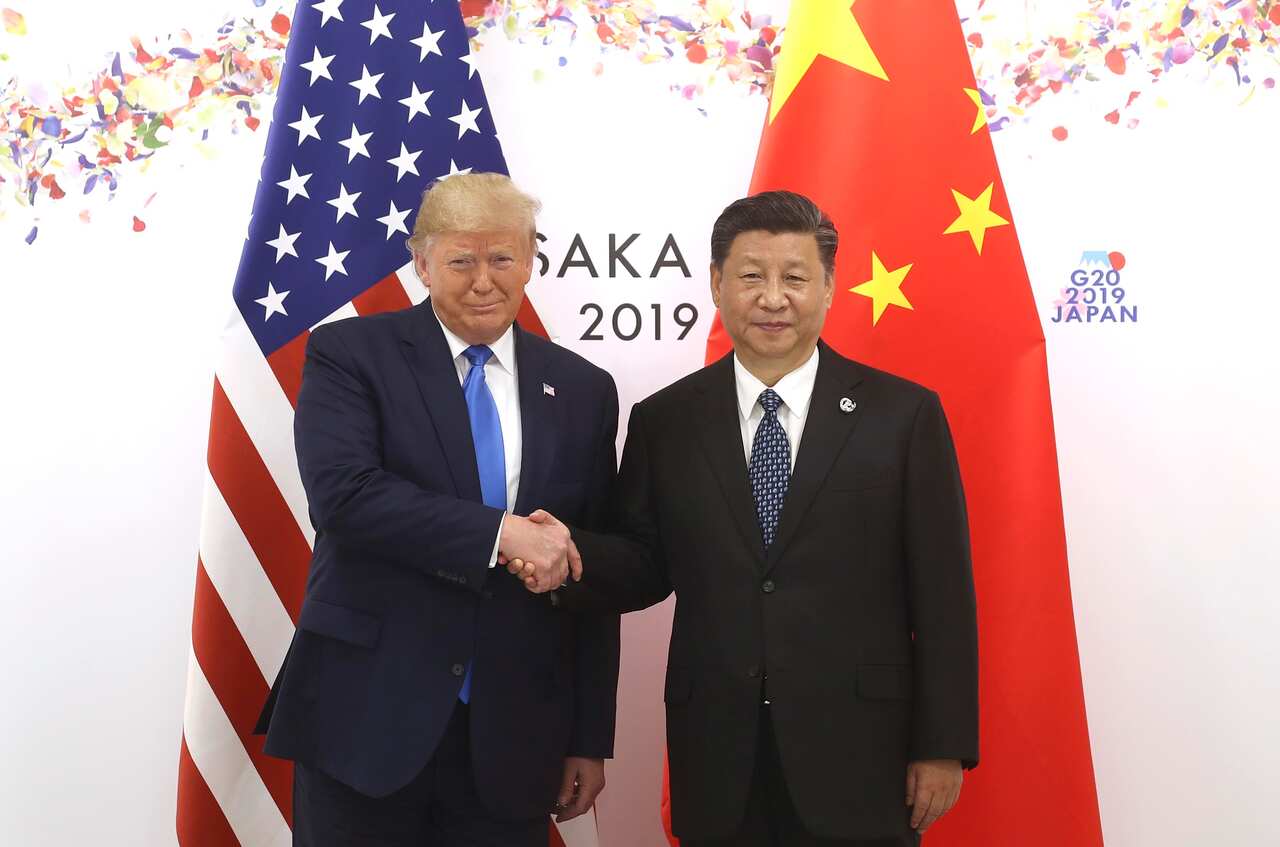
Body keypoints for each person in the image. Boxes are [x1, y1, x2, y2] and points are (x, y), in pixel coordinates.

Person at [511, 191, 979, 846]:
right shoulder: (666, 420)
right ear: (716, 282)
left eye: (794, 277)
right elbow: (646, 562)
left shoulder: (902, 416)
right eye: (752, 275)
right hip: (719, 750)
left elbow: (944, 593)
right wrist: (569, 553)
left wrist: (943, 743)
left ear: (829, 286)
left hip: (862, 751)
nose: (773, 297)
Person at [255, 173, 621, 846]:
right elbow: (344, 496)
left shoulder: (583, 389)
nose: (485, 279)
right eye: (462, 260)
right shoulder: (350, 354)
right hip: (366, 720)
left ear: (530, 259)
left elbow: (583, 569)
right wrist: (501, 533)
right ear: (423, 263)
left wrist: (588, 735)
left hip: (514, 737)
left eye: (503, 257)